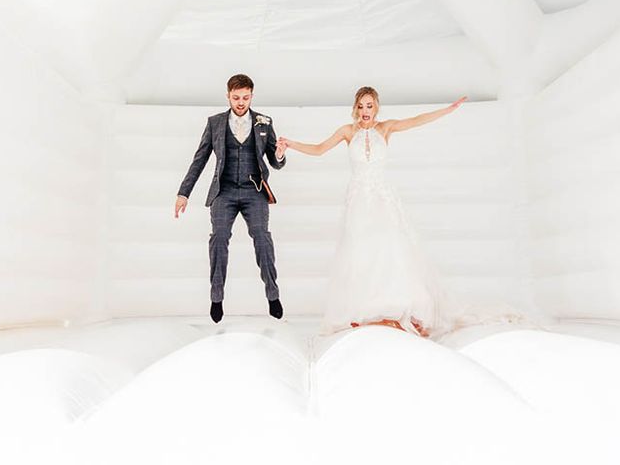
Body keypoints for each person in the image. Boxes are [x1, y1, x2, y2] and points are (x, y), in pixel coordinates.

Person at [277, 86, 524, 339]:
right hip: (359, 200)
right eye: (361, 106)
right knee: (361, 253)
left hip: (383, 199)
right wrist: (290, 144)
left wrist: (448, 110)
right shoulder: (347, 132)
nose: (365, 111)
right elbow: (319, 149)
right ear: (355, 108)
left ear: (377, 107)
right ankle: (367, 311)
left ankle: (400, 310)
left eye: (369, 106)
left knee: (392, 250)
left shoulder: (386, 128)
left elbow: (417, 120)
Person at [174, 74, 287, 324]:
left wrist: (279, 155)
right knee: (219, 238)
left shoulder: (264, 122)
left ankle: (273, 294)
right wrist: (184, 193)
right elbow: (199, 159)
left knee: (262, 237)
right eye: (236, 97)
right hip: (223, 192)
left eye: (245, 97)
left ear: (251, 96)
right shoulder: (215, 123)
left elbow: (275, 162)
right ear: (228, 96)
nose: (241, 102)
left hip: (254, 191)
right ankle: (216, 297)